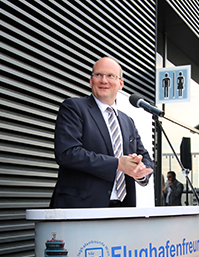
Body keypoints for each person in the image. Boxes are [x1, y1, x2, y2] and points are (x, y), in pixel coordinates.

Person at [49, 57, 154, 208]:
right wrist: (117, 164)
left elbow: (145, 157)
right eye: (98, 75)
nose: (104, 80)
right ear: (91, 81)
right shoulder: (73, 108)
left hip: (122, 209)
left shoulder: (127, 121)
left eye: (110, 76)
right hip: (81, 207)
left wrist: (140, 170)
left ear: (120, 84)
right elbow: (67, 153)